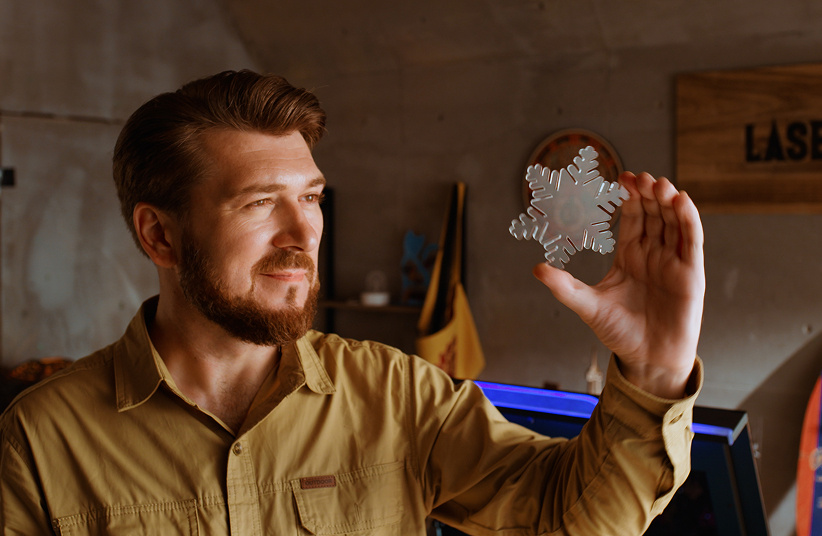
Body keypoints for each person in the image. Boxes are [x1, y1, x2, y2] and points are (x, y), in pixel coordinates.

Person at [0, 70, 705, 535]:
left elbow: (569, 520)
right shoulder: (41, 441)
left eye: (310, 198)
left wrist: (654, 373)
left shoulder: (395, 394)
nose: (303, 232)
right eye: (259, 204)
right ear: (159, 234)